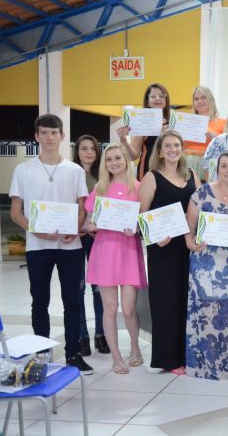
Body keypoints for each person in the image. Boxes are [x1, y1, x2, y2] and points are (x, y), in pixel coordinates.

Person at [10, 114, 93, 373]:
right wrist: (35, 229)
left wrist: (76, 229)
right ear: (36, 136)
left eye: (54, 132)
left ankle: (73, 354)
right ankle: (42, 355)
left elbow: (82, 207)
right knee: (40, 302)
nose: (49, 137)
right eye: (44, 132)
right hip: (38, 246)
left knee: (73, 301)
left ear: (62, 135)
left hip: (70, 247)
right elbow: (15, 212)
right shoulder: (23, 170)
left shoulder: (75, 170)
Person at [184, 151, 228, 380]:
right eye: (224, 165)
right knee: (205, 311)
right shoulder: (202, 192)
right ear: (218, 168)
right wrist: (189, 241)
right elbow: (190, 223)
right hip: (205, 261)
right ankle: (204, 365)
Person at [139, 130, 200, 375]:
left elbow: (201, 208)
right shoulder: (151, 178)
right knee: (166, 303)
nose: (173, 149)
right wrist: (155, 238)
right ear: (160, 151)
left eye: (177, 145)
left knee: (186, 302)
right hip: (163, 249)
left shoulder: (193, 175)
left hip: (188, 248)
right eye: (168, 146)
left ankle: (187, 354)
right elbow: (142, 215)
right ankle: (169, 359)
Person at [85, 144, 148, 374]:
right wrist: (90, 225)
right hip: (105, 252)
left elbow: (144, 222)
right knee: (110, 308)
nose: (114, 162)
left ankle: (135, 348)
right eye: (109, 159)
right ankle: (116, 357)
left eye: (118, 158)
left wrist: (138, 228)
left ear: (126, 160)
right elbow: (89, 222)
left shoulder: (139, 188)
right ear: (105, 164)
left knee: (129, 308)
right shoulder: (100, 189)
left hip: (129, 251)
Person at [72, 135, 108, 356]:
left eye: (92, 149)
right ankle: (81, 335)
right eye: (83, 149)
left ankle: (101, 334)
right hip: (76, 236)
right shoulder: (70, 174)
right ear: (77, 151)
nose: (88, 153)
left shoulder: (103, 176)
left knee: (98, 288)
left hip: (97, 236)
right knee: (77, 287)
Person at [118, 83, 171, 180]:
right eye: (153, 96)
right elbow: (132, 156)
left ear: (166, 100)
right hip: (146, 172)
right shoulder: (141, 123)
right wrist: (124, 140)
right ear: (147, 102)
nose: (157, 99)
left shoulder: (173, 124)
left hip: (170, 173)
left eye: (161, 96)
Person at [186, 86, 227, 181]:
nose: (200, 101)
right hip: (187, 168)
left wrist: (217, 139)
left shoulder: (224, 122)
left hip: (211, 169)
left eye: (203, 97)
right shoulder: (186, 122)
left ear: (211, 100)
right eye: (196, 99)